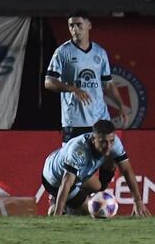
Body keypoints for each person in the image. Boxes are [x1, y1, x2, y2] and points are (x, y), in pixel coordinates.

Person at [44, 10, 130, 185]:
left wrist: (121, 105)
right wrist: (71, 88)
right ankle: (70, 196)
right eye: (71, 25)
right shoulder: (63, 52)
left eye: (79, 25)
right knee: (73, 167)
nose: (75, 29)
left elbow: (108, 84)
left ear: (89, 25)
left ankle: (102, 193)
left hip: (99, 118)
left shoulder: (99, 53)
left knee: (110, 159)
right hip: (74, 120)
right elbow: (48, 82)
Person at [42, 119, 149, 216]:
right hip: (54, 179)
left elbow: (126, 170)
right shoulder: (78, 151)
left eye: (111, 141)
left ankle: (69, 201)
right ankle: (56, 200)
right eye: (103, 142)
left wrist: (138, 201)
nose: (108, 146)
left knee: (100, 184)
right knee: (93, 210)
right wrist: (58, 214)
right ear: (93, 139)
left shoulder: (115, 143)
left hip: (75, 174)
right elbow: (66, 183)